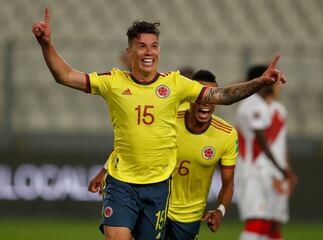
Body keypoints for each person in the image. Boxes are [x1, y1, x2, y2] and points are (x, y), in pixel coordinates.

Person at [32, 8, 286, 240]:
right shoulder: (113, 82)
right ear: (130, 51)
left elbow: (221, 96)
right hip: (122, 183)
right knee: (116, 237)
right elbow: (64, 75)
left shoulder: (175, 84)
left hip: (158, 186)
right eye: (141, 46)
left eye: (154, 46)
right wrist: (46, 44)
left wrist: (259, 83)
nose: (149, 52)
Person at [89, 69, 238, 240]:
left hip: (188, 216)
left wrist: (221, 210)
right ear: (192, 97)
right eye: (202, 97)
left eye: (211, 98)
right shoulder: (170, 115)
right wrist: (104, 170)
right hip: (154, 200)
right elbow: (134, 142)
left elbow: (228, 182)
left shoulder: (227, 134)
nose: (206, 102)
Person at [235, 65, 297, 240]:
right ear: (263, 81)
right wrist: (283, 171)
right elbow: (262, 143)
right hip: (254, 172)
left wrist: (286, 171)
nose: (278, 84)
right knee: (257, 220)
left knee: (273, 223)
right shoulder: (250, 105)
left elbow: (281, 145)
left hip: (275, 173)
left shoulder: (279, 110)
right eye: (274, 79)